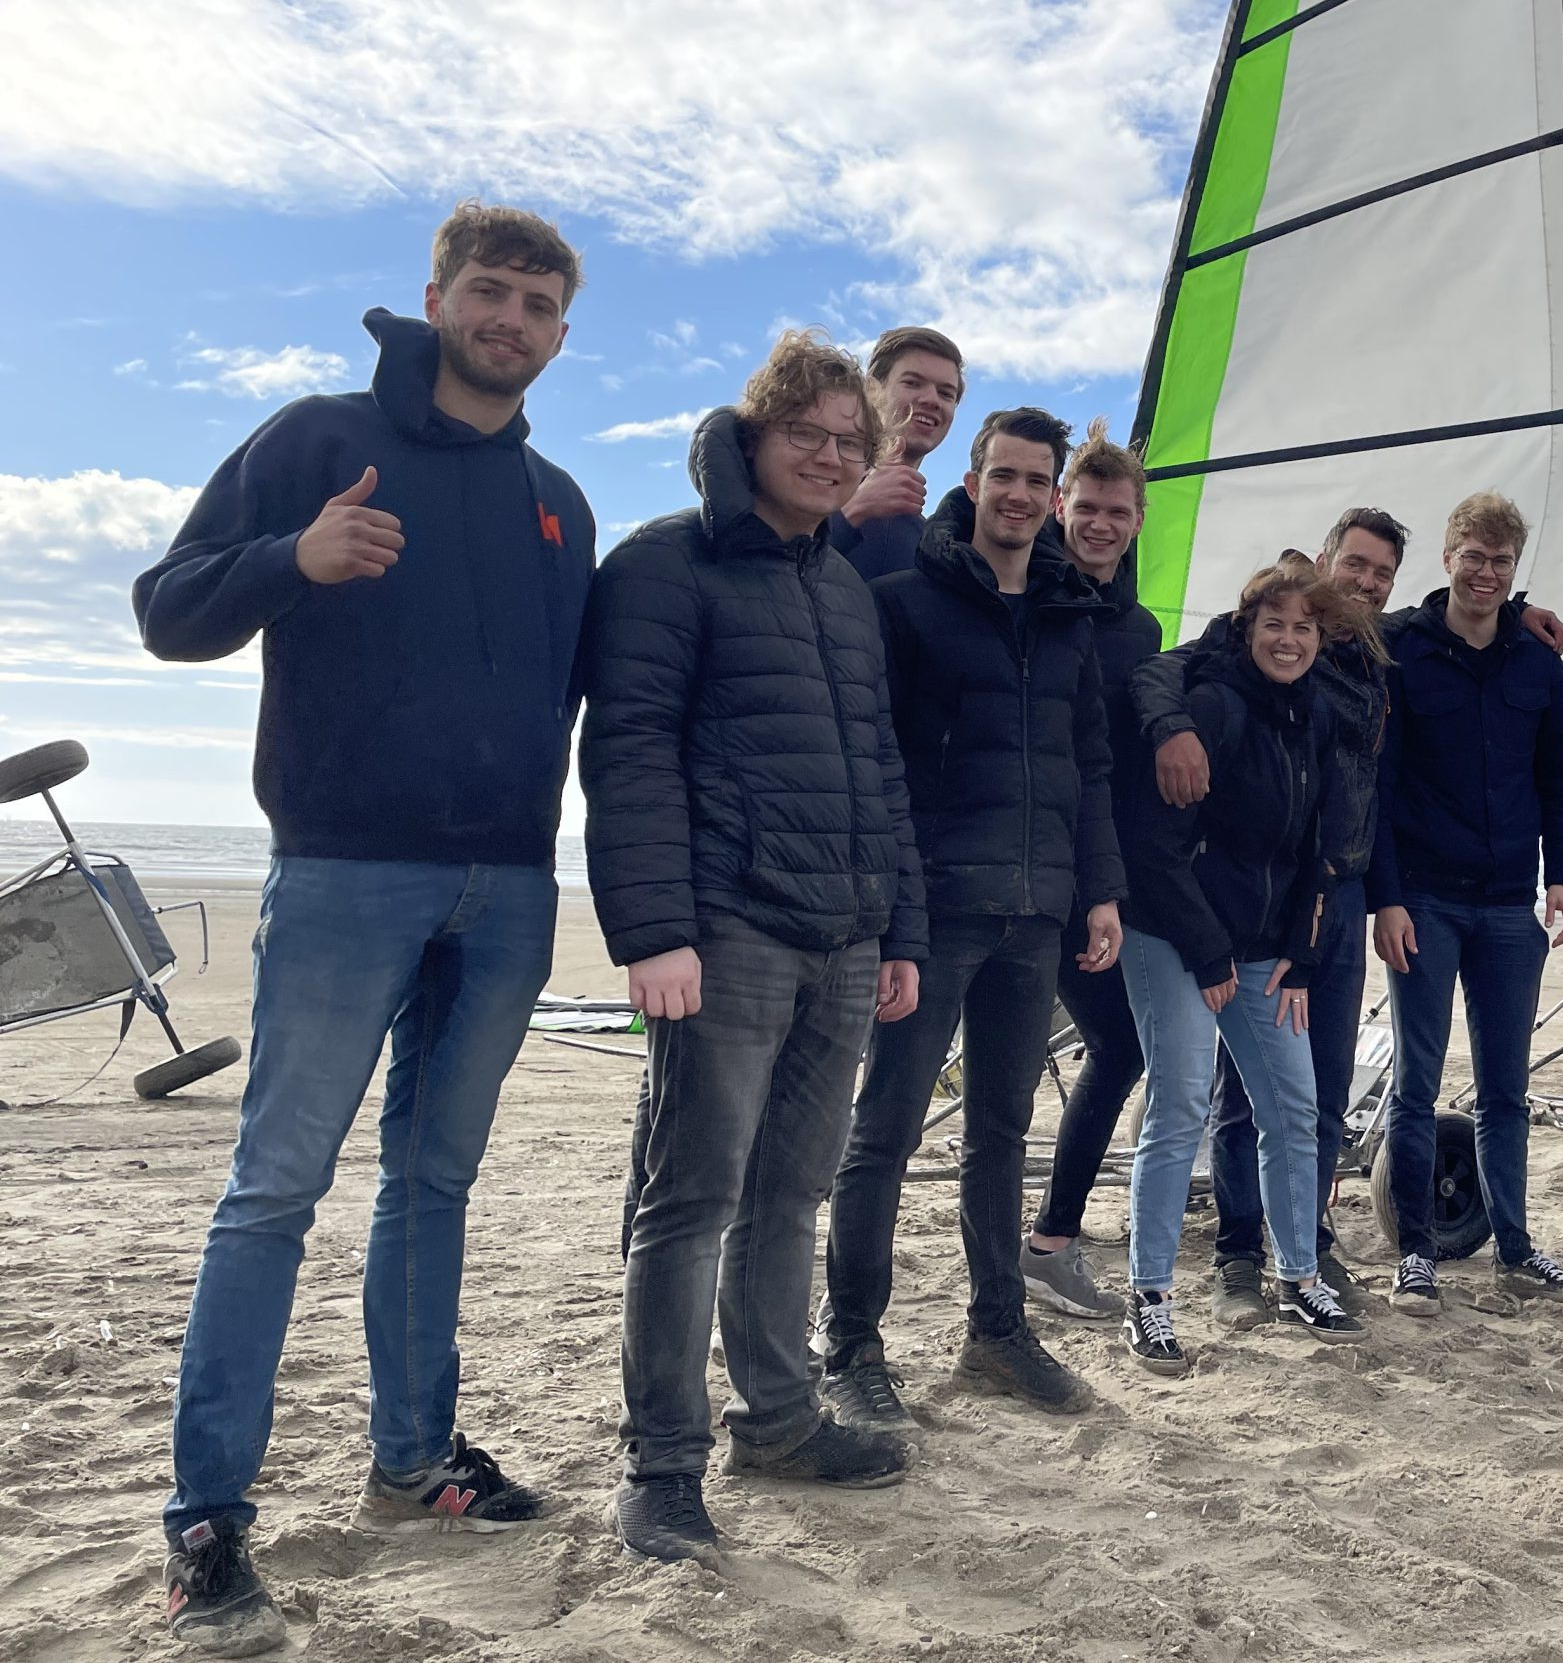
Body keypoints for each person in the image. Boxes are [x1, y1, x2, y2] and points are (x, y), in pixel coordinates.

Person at [131, 205, 593, 1654]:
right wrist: (295, 560)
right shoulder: (320, 441)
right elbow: (166, 611)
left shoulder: (561, 501)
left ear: (561, 336)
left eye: (536, 304)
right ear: (437, 297)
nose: (509, 319)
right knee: (274, 1190)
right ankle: (207, 1519)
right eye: (489, 292)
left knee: (434, 1184)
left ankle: (414, 1462)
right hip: (342, 871)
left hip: (510, 888)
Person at [580, 331, 928, 1565]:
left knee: (792, 1195)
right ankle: (660, 1464)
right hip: (721, 935)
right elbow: (625, 753)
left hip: (842, 935)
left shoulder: (841, 584)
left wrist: (897, 928)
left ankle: (777, 1419)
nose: (832, 458)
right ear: (755, 433)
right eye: (810, 435)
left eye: (852, 442)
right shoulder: (664, 567)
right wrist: (655, 932)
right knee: (687, 1202)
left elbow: (878, 769)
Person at [820, 408, 1125, 1422]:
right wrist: (897, 917)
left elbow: (1089, 768)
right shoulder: (910, 604)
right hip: (936, 914)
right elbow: (884, 770)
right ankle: (852, 1347)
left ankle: (997, 1331)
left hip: (1035, 917)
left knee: (1000, 1130)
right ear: (975, 480)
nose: (1022, 497)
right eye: (1005, 477)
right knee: (885, 1131)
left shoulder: (1069, 616)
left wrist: (1100, 890)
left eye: (1039, 482)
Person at [1128, 508, 1404, 1328]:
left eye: (1303, 629)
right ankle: (1150, 1295)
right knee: (1179, 1103)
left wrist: (1303, 951)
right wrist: (1211, 956)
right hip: (1175, 934)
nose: (1289, 640)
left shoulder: (1314, 713)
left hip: (1258, 947)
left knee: (1295, 1105)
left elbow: (1316, 848)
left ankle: (1299, 1274)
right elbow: (1153, 846)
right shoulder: (1214, 705)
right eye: (1274, 625)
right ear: (1248, 628)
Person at [1370, 492, 1563, 1315]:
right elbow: (1382, 789)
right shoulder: (1401, 649)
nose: (1487, 574)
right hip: (1424, 901)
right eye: (1475, 556)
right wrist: (1386, 898)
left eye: (1503, 562)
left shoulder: (1538, 662)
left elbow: (1562, 781)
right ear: (1449, 556)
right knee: (1416, 1086)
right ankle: (1417, 1252)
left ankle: (1515, 1245)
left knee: (1506, 1091)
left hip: (1510, 906)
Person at [1018, 419, 1162, 1322]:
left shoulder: (1140, 627)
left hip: (1093, 875)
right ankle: (1044, 1244)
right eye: (1088, 507)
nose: (1101, 523)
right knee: (1094, 1050)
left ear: (1138, 521)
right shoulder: (1027, 590)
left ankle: (1048, 1243)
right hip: (1020, 862)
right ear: (1060, 505)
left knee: (1117, 1047)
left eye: (1118, 511)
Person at [826, 326, 965, 580]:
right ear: (871, 390)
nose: (932, 400)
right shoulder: (813, 482)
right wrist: (857, 508)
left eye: (946, 393)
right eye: (913, 383)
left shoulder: (928, 543)